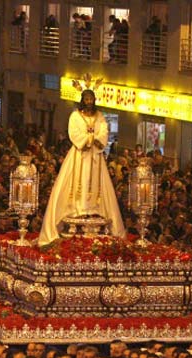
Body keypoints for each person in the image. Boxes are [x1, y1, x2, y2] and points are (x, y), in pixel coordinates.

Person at [38, 89, 125, 245]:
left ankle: (92, 208)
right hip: (80, 153)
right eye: (86, 98)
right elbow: (74, 132)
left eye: (91, 98)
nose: (89, 101)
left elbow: (104, 131)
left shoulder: (100, 116)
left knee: (95, 183)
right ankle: (78, 208)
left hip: (95, 156)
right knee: (79, 180)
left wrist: (96, 140)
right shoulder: (75, 116)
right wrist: (87, 139)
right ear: (82, 99)